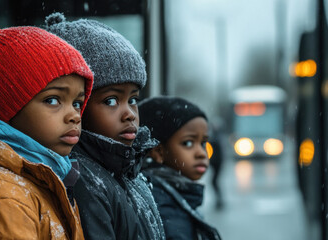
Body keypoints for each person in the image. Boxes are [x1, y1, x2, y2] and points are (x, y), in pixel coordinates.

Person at [45, 13, 165, 240]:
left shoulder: (127, 170)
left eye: (133, 100)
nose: (129, 113)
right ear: (77, 107)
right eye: (111, 101)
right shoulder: (82, 181)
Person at [0, 23, 93, 239]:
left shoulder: (47, 177)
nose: (74, 115)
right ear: (3, 109)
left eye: (77, 103)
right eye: (53, 100)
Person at [138, 96, 221, 240]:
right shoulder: (163, 208)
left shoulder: (173, 197)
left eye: (203, 143)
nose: (201, 154)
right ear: (158, 152)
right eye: (188, 143)